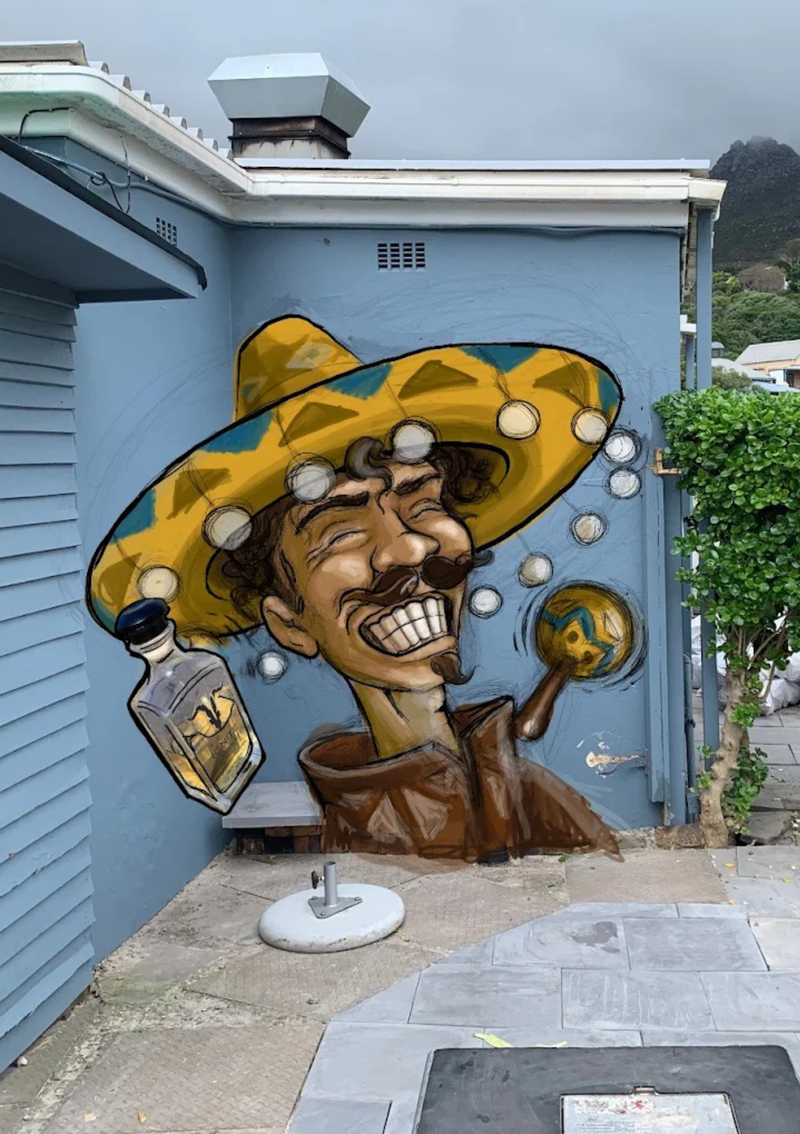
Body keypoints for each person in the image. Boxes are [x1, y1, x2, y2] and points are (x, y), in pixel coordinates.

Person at [88, 316, 625, 862]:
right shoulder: (370, 829)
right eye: (340, 532)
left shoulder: (523, 787)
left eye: (424, 503)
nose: (409, 548)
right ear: (290, 624)